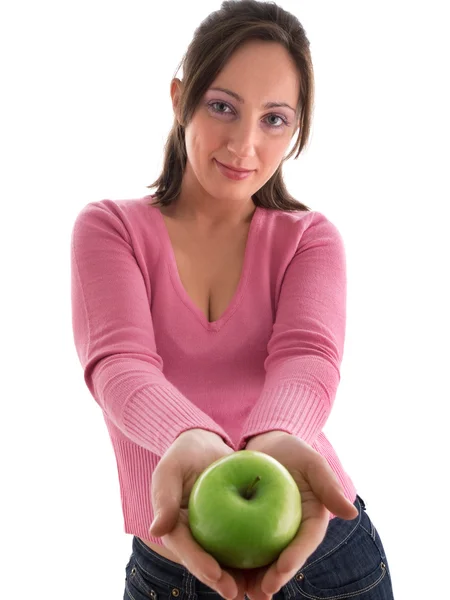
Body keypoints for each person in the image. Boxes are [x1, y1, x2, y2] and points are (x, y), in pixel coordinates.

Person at [70, 1, 395, 598]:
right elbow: (119, 365)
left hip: (324, 551)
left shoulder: (309, 239)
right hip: (173, 562)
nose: (245, 144)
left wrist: (271, 438)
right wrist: (189, 438)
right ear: (179, 99)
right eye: (223, 107)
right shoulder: (110, 228)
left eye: (274, 119)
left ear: (294, 130)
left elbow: (308, 359)